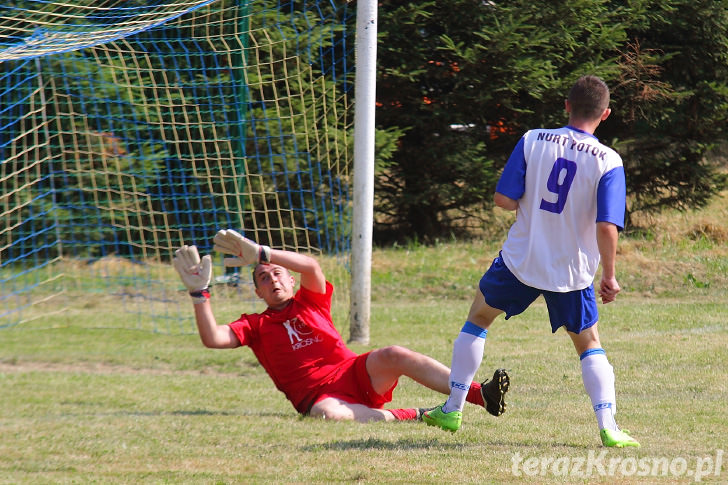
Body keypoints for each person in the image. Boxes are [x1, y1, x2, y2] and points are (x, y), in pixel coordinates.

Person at [422, 75, 640, 448]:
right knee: (589, 344)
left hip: (521, 260)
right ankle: (609, 426)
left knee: (478, 319)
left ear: (567, 105)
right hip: (571, 271)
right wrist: (611, 275)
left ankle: (453, 407)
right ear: (605, 114)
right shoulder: (609, 160)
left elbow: (503, 200)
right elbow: (606, 226)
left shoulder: (532, 139)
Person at [172, 228, 510, 423]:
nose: (272, 279)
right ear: (257, 292)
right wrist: (199, 293)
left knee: (393, 353)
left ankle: (480, 395)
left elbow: (312, 266)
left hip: (354, 371)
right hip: (319, 396)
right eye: (263, 278)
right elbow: (214, 339)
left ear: (290, 280)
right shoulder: (255, 325)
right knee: (328, 417)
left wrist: (263, 254)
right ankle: (417, 414)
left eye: (277, 273)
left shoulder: (310, 300)